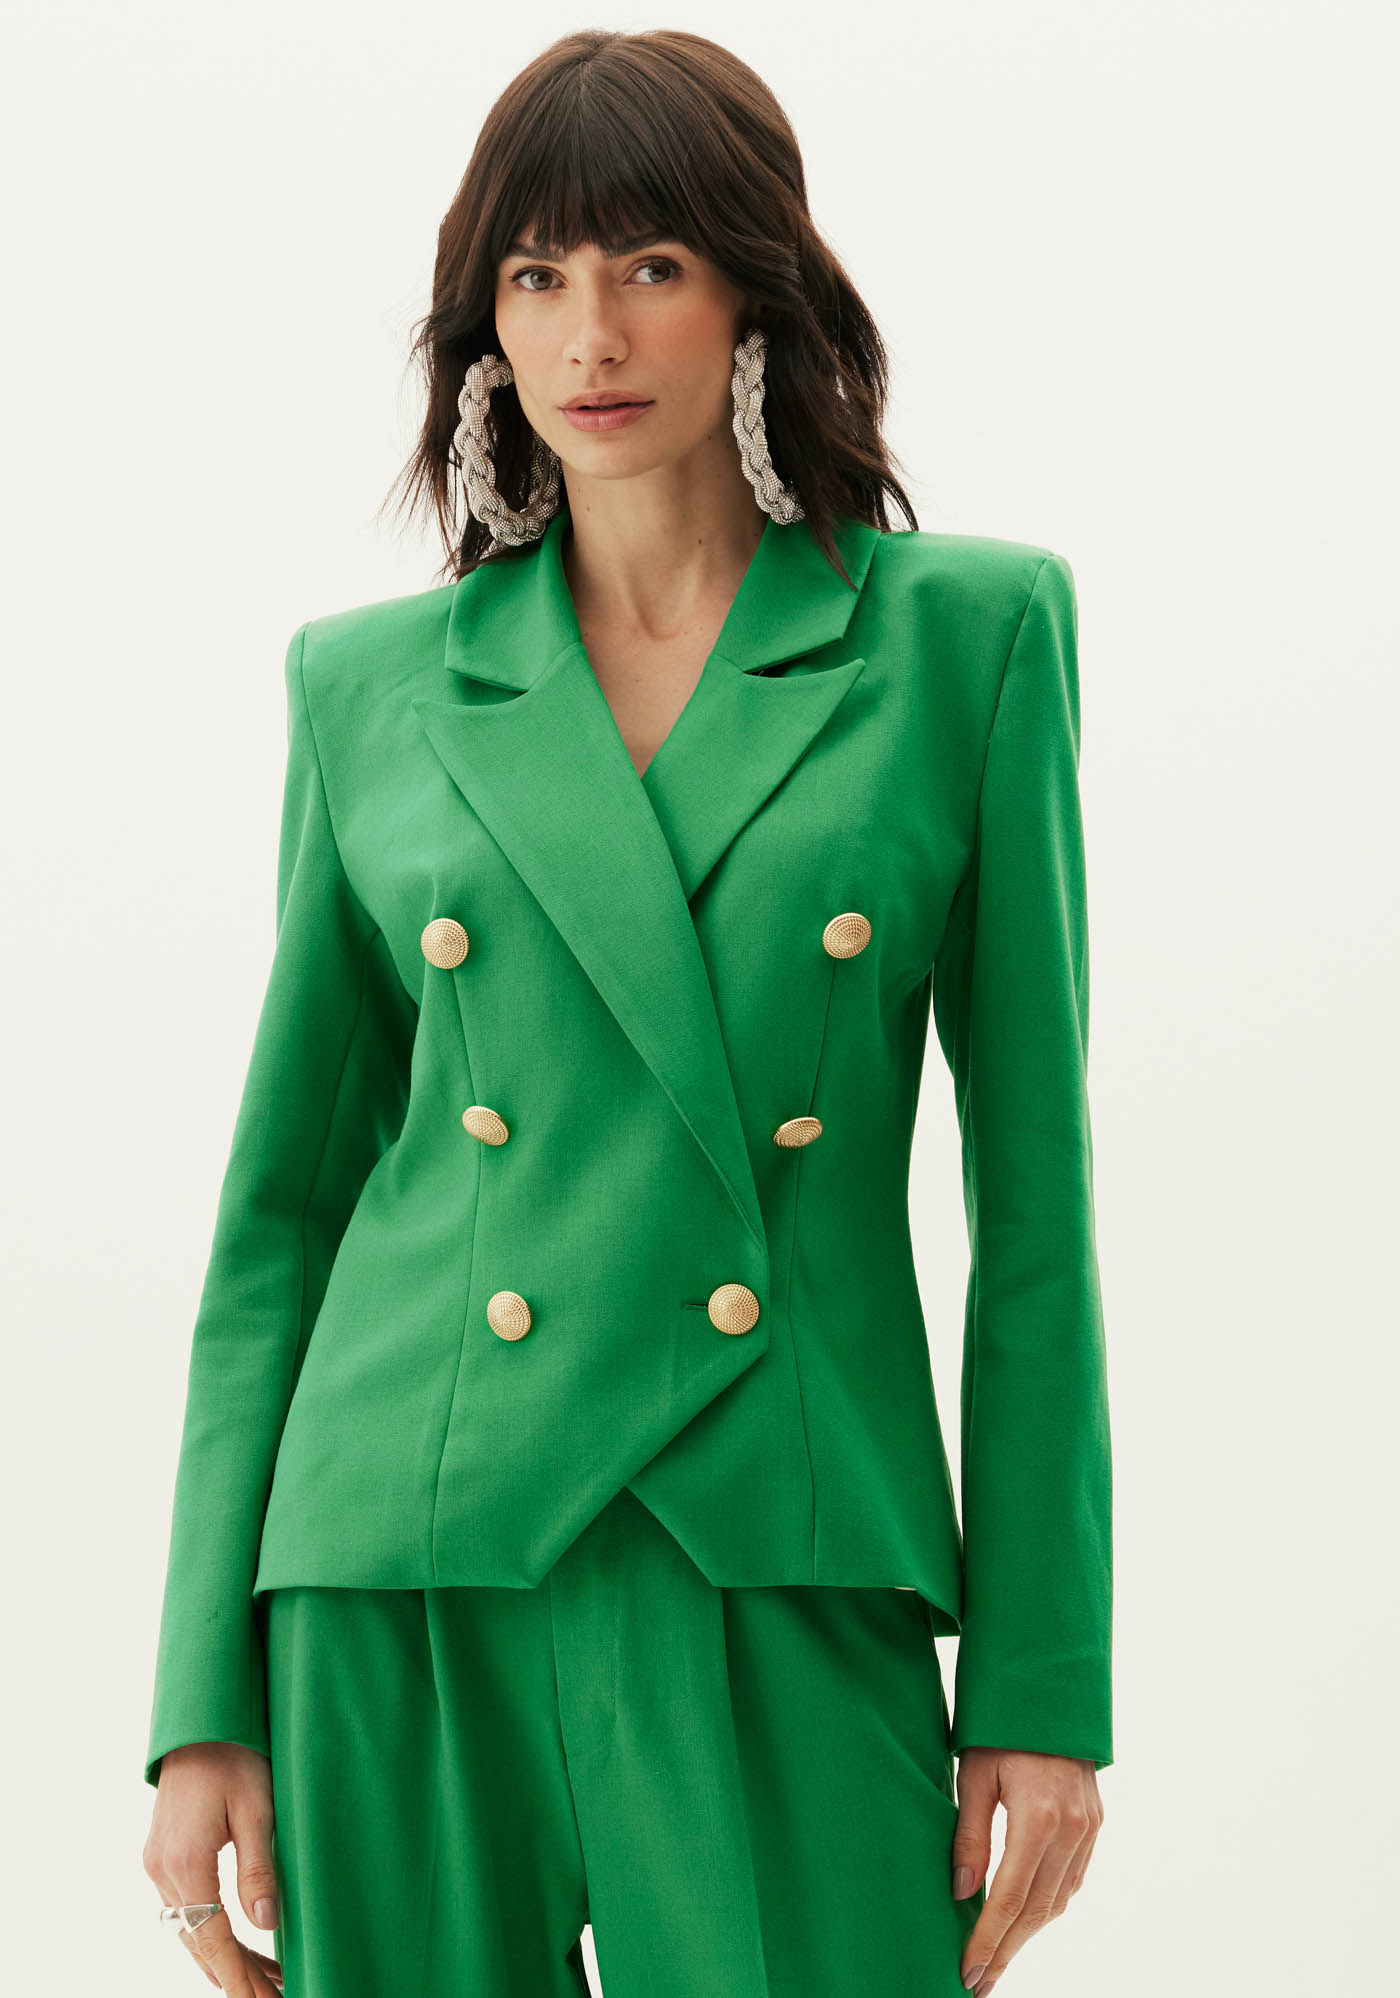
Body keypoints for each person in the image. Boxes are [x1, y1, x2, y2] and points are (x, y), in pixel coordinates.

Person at [141, 27, 1112, 1998]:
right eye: (538, 274)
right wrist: (198, 1700)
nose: (590, 333)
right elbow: (282, 1220)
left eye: (652, 264)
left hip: (780, 1535)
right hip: (406, 1554)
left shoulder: (966, 639)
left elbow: (1034, 1208)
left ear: (756, 290)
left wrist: (1040, 1679)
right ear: (483, 324)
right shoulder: (368, 688)